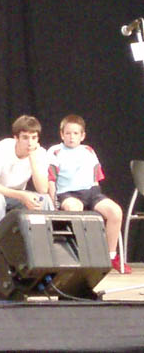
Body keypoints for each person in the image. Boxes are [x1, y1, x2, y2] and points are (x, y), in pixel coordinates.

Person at [47, 113, 131, 274]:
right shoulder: (55, 151)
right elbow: (51, 179)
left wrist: (96, 197)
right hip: (68, 194)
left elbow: (95, 178)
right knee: (74, 209)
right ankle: (79, 256)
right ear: (62, 135)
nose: (71, 137)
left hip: (91, 193)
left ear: (82, 136)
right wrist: (54, 202)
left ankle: (110, 256)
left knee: (115, 211)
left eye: (75, 133)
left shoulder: (88, 151)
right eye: (68, 133)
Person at [0, 115, 51, 234]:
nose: (30, 143)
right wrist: (21, 195)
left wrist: (33, 160)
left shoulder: (40, 153)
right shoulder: (2, 148)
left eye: (34, 138)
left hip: (13, 196)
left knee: (44, 200)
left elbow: (42, 189)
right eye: (25, 138)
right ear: (16, 138)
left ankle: (45, 242)